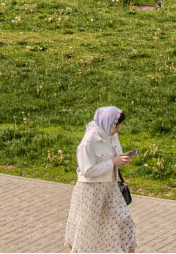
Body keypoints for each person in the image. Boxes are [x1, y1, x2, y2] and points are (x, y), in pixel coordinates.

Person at [64, 106, 136, 253]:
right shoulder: (88, 142)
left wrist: (122, 158)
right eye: (117, 126)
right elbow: (87, 170)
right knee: (86, 232)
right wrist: (112, 163)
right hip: (91, 192)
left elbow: (115, 153)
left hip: (110, 188)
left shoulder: (110, 134)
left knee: (125, 222)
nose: (118, 130)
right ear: (107, 122)